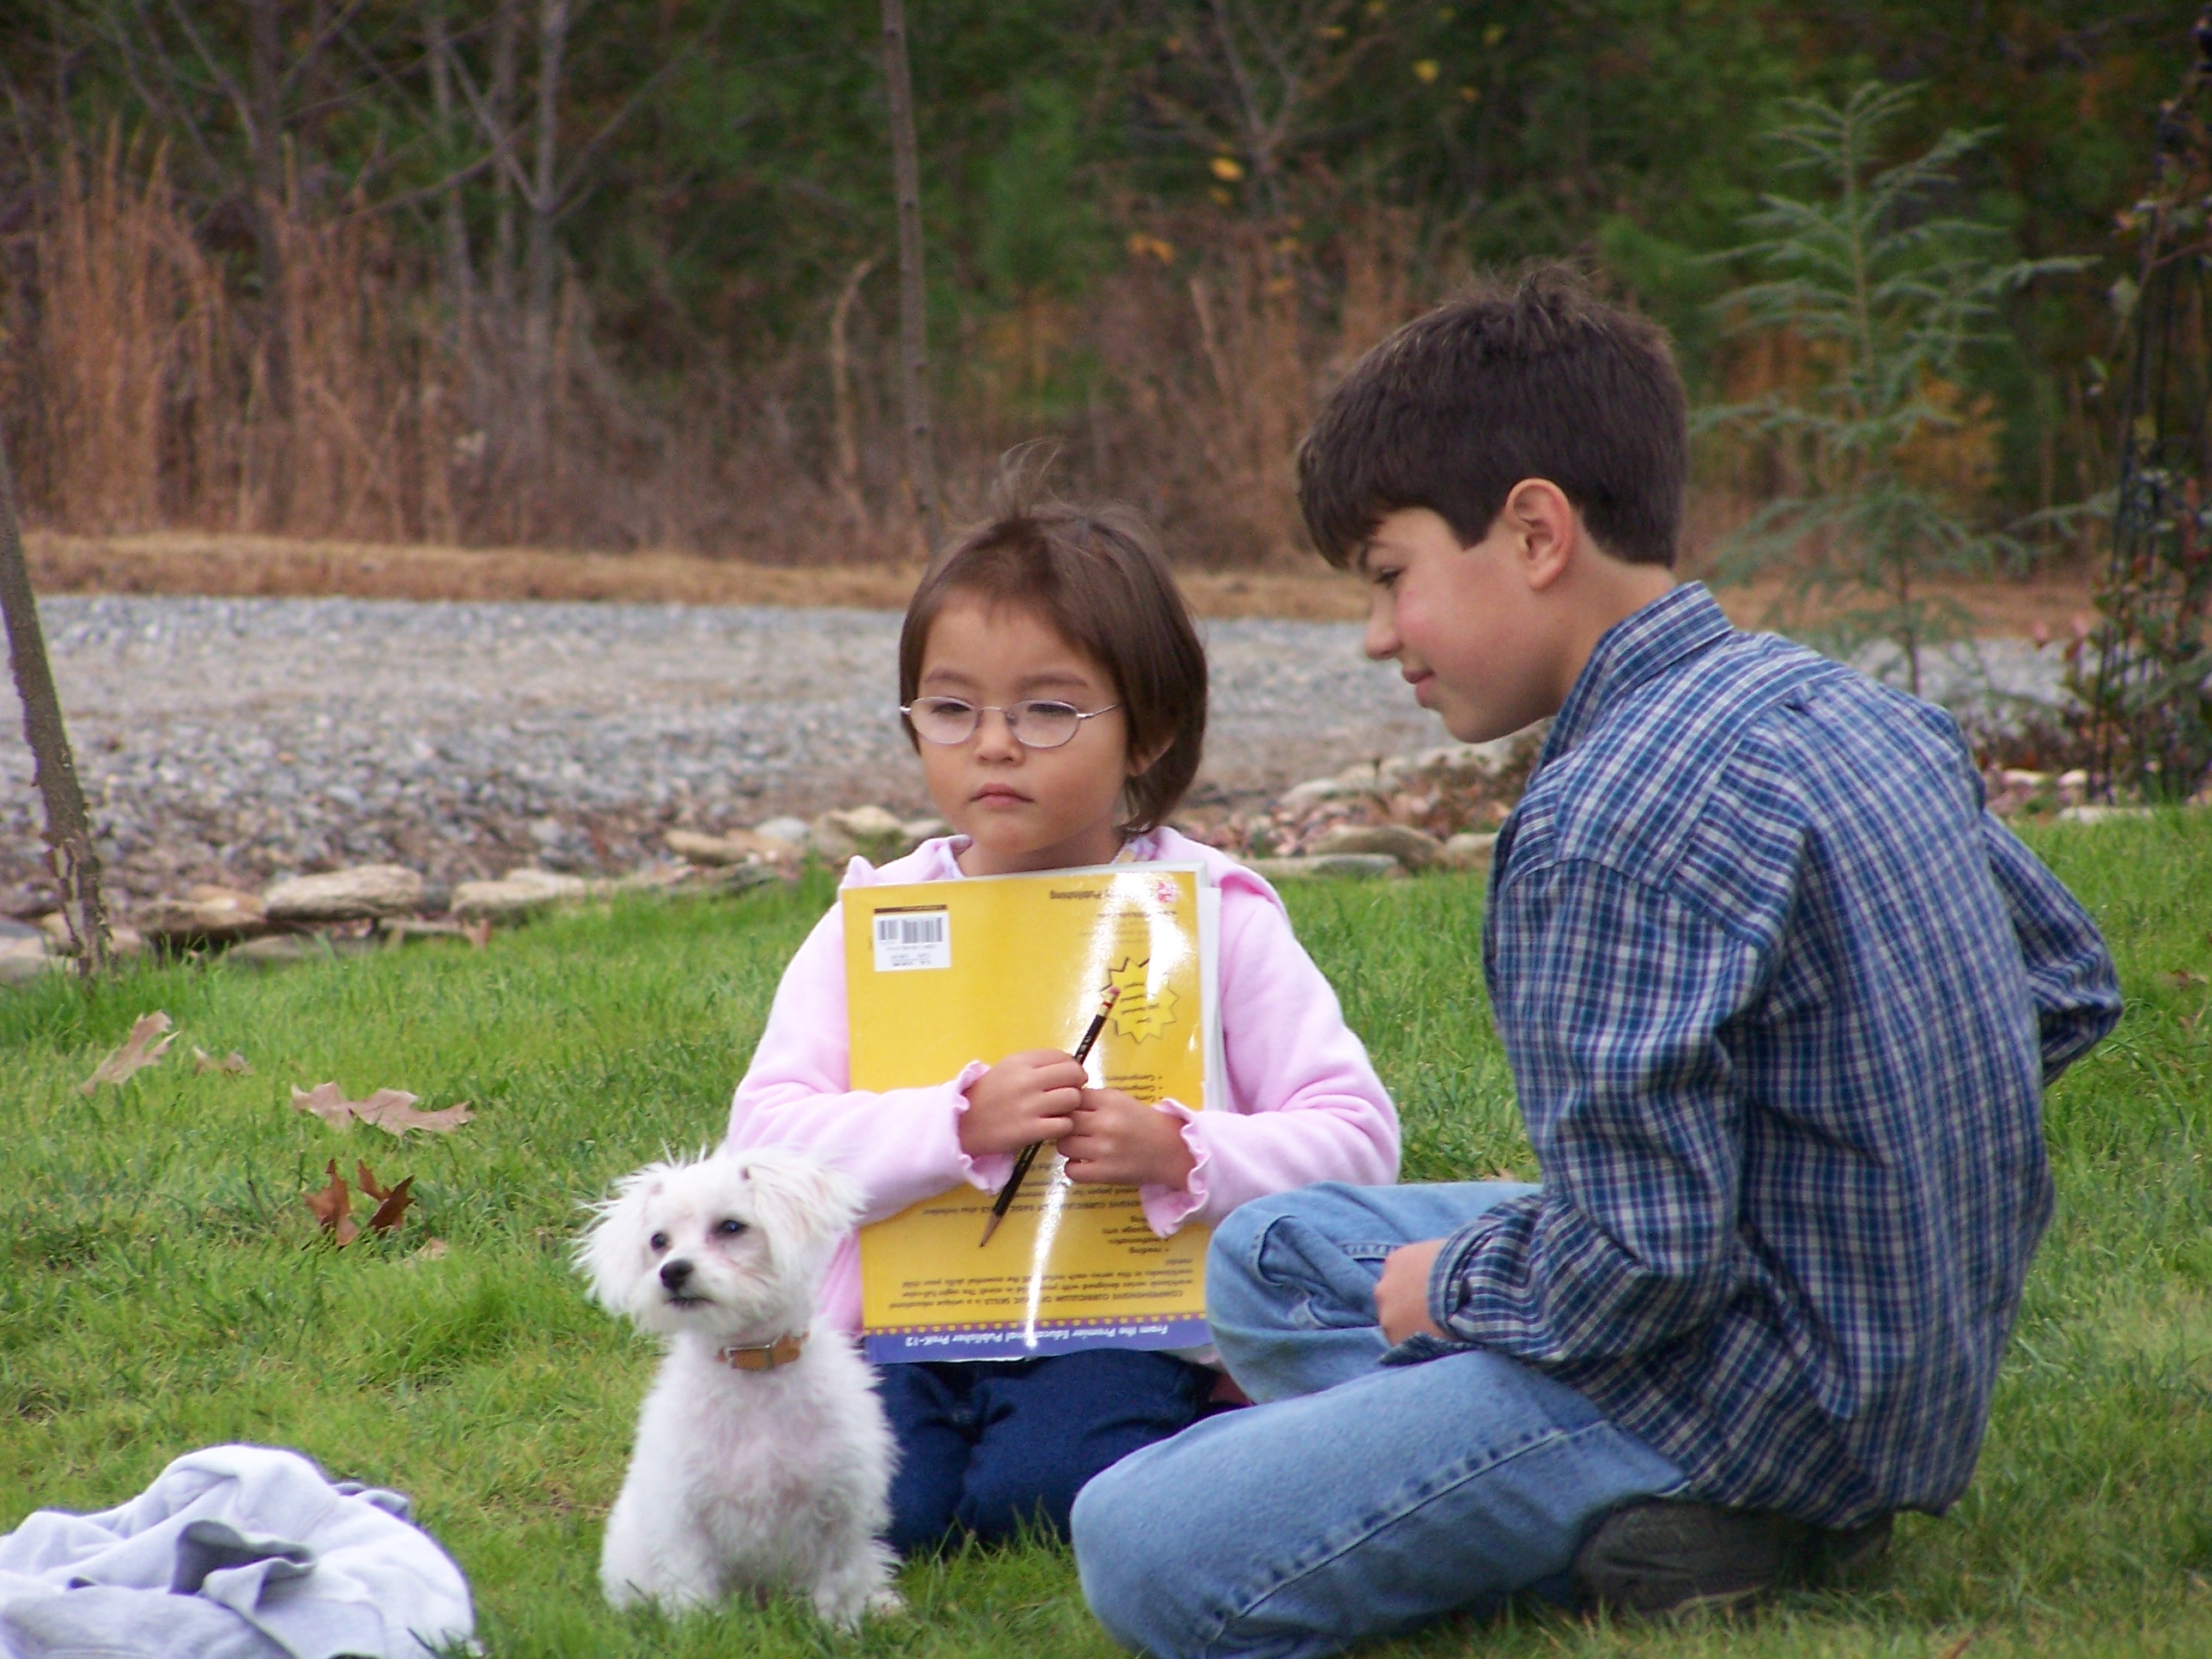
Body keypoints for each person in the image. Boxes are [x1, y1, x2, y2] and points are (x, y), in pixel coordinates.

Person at [1070, 264, 2123, 1657]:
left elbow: (1642, 1263)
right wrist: (1874, 1185)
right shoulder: (1840, 702)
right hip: (1903, 1367)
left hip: (1731, 1389)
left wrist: (1449, 1284)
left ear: (1534, 530)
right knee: (1269, 1252)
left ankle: (1703, 1508)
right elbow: (2065, 980)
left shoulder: (1607, 820)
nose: (1379, 634)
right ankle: (1636, 1499)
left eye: (1391, 576)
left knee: (1139, 1544)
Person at [725, 493, 1399, 1559]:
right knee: (883, 1514)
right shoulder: (876, 921)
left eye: (1047, 711)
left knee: (1045, 1496)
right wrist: (952, 1125)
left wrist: (1183, 1148)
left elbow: (1356, 1135)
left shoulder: (1212, 914)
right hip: (905, 1330)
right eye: (950, 709)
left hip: (1122, 1322)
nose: (993, 746)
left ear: (1152, 729)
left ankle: (1225, 1424)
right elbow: (761, 1148)